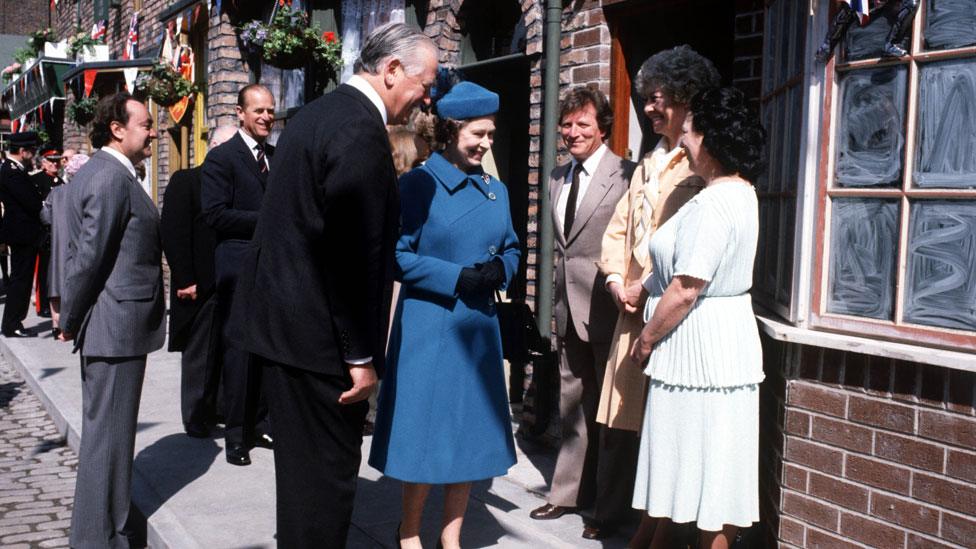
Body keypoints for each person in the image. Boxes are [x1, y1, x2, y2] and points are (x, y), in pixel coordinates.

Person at [229, 22, 438, 547]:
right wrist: (360, 357)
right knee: (322, 495)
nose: (425, 98)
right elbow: (349, 257)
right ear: (391, 70)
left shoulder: (318, 115)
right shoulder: (358, 131)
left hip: (290, 337)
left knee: (302, 492)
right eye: (423, 83)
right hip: (320, 349)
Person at [369, 80, 520, 549]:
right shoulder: (418, 184)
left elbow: (514, 247)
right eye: (479, 134)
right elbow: (396, 254)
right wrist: (455, 277)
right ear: (452, 131)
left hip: (477, 328)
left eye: (491, 134)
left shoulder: (498, 190)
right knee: (426, 438)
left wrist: (501, 268)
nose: (486, 144)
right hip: (430, 327)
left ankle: (450, 537)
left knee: (469, 439)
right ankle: (409, 532)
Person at [628, 87, 766, 549]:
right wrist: (638, 288)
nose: (682, 142)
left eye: (687, 133)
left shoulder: (713, 204)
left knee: (703, 482)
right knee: (704, 478)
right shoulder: (741, 194)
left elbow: (687, 288)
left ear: (711, 139)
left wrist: (645, 341)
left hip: (697, 356)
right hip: (719, 354)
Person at [595, 46, 718, 543]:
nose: (648, 108)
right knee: (634, 427)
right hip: (632, 309)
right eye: (645, 98)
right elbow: (619, 228)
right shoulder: (649, 161)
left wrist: (647, 288)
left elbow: (690, 251)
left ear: (686, 96)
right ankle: (643, 523)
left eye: (658, 97)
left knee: (666, 429)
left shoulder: (704, 162)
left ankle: (661, 530)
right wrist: (613, 282)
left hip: (670, 313)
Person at [59, 92, 165, 549]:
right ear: (117, 129)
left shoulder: (110, 173)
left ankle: (111, 532)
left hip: (117, 325)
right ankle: (97, 539)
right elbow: (87, 258)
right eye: (145, 124)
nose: (154, 131)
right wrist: (71, 315)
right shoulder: (109, 179)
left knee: (113, 442)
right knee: (107, 443)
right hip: (113, 327)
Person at [530, 87, 636, 540]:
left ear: (604, 128)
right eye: (567, 124)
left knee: (612, 412)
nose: (572, 133)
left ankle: (609, 509)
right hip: (567, 310)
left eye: (582, 125)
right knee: (572, 402)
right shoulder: (557, 176)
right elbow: (562, 250)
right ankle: (567, 492)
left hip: (609, 310)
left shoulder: (627, 175)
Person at [201, 84, 275, 466]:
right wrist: (267, 220)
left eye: (270, 111)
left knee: (266, 348)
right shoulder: (223, 159)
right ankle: (235, 435)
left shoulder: (276, 157)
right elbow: (214, 214)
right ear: (240, 114)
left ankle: (261, 422)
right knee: (239, 351)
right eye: (258, 110)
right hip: (238, 267)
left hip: (272, 270)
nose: (266, 117)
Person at [162, 125, 236, 438]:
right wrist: (185, 278)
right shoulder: (187, 181)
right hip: (199, 285)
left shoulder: (235, 185)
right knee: (199, 353)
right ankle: (194, 413)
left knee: (223, 348)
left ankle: (217, 408)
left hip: (229, 280)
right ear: (214, 146)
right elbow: (173, 233)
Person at [43, 153, 90, 338]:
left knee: (57, 282)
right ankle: (74, 322)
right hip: (78, 242)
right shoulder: (86, 191)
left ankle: (56, 324)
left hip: (59, 243)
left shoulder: (56, 192)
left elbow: (45, 216)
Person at [0, 131, 41, 337]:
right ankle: (12, 323)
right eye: (32, 151)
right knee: (21, 280)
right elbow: (31, 202)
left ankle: (14, 321)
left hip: (23, 233)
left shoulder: (14, 169)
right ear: (23, 151)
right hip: (22, 233)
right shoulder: (11, 171)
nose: (33, 155)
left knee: (21, 279)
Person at [31, 146, 64, 318]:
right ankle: (42, 305)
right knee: (43, 270)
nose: (55, 164)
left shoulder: (61, 182)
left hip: (58, 232)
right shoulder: (36, 180)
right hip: (43, 231)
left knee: (54, 270)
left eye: (57, 161)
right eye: (51, 161)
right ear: (44, 162)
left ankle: (55, 303)